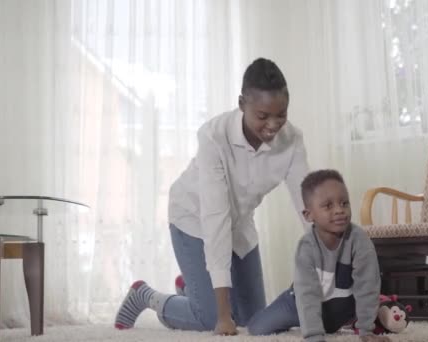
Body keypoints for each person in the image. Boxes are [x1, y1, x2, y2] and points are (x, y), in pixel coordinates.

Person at [114, 57, 310, 335]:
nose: (273, 125)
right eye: (263, 116)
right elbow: (215, 218)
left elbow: (308, 205)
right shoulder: (213, 138)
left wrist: (332, 262)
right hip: (193, 219)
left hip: (239, 224)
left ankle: (193, 288)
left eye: (281, 114)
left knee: (252, 321)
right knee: (211, 319)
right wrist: (221, 315)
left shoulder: (292, 141)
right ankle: (145, 295)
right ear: (242, 105)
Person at [247, 170, 389, 342]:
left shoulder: (360, 241)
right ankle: (306, 322)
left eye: (344, 203)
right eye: (328, 206)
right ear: (309, 215)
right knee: (257, 328)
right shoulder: (306, 247)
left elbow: (367, 285)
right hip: (300, 303)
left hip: (342, 306)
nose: (339, 210)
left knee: (365, 302)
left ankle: (377, 308)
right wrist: (314, 336)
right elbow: (307, 295)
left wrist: (366, 331)